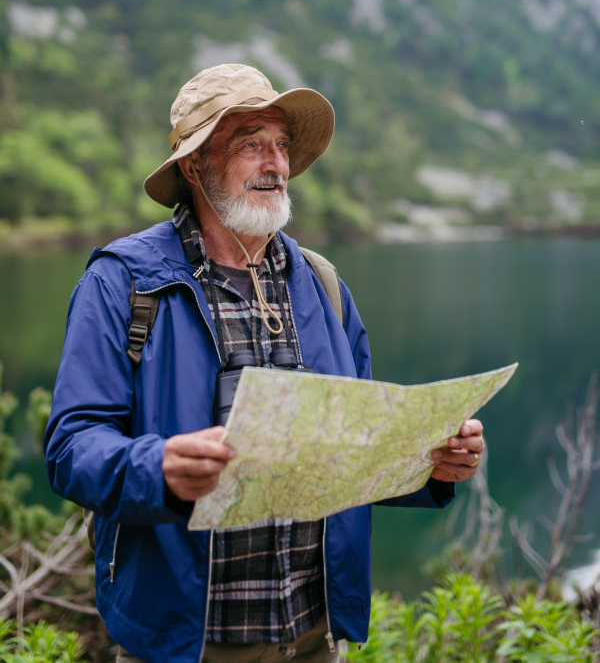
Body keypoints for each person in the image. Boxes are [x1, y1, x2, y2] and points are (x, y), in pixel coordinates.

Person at [45, 64, 485, 663]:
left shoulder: (324, 285)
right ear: (194, 166)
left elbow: (356, 450)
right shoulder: (123, 283)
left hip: (311, 636)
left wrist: (432, 466)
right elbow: (72, 449)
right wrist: (160, 467)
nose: (275, 162)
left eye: (280, 144)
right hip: (184, 644)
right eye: (250, 143)